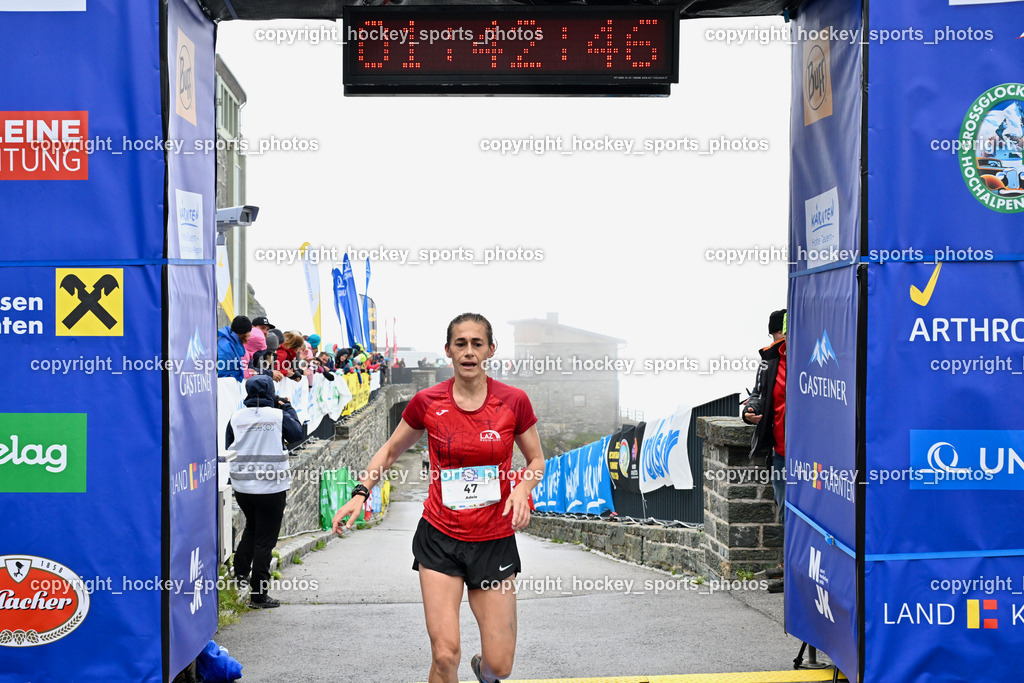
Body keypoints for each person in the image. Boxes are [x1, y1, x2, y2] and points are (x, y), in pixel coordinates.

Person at [332, 313, 544, 683]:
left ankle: (484, 668)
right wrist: (360, 493)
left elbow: (537, 459)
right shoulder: (428, 402)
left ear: (491, 349)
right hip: (440, 538)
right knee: (445, 655)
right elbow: (390, 451)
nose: (469, 351)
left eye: (477, 343)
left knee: (501, 666)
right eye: (460, 344)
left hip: (493, 541)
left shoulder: (513, 401)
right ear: (448, 351)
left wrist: (524, 488)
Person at [226, 373, 303, 608]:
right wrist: (288, 408)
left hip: (243, 486)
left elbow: (228, 443)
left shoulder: (236, 416)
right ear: (271, 392)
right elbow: (298, 435)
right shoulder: (278, 416)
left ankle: (239, 574)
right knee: (265, 541)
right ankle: (259, 595)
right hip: (271, 487)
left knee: (251, 527)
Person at [742, 308, 787, 593]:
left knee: (813, 514)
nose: (776, 339)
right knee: (786, 511)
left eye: (778, 333)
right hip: (782, 452)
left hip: (815, 455)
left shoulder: (817, 355)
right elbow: (758, 396)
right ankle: (789, 567)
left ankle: (799, 572)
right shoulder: (770, 361)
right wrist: (749, 411)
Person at [217, 315, 251, 381]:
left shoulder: (230, 343)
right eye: (249, 331)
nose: (250, 335)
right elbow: (225, 372)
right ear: (244, 333)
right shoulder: (227, 348)